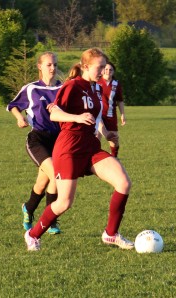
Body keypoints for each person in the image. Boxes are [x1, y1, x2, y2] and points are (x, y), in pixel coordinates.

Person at [24, 47, 134, 251]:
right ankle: (32, 234)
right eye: (99, 67)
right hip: (69, 147)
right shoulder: (72, 86)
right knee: (64, 202)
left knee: (124, 183)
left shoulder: (96, 88)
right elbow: (55, 114)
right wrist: (76, 117)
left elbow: (95, 117)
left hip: (90, 146)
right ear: (85, 66)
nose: (102, 71)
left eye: (104, 67)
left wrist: (107, 132)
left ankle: (111, 234)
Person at [7, 51, 62, 234]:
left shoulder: (63, 88)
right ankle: (52, 220)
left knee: (41, 182)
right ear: (40, 67)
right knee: (56, 173)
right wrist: (19, 118)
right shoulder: (31, 89)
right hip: (37, 139)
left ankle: (28, 209)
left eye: (54, 64)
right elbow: (12, 105)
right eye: (48, 65)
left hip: (59, 140)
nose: (53, 68)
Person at [98, 62, 126, 157]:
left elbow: (120, 101)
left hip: (110, 115)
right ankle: (94, 159)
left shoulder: (116, 84)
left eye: (110, 70)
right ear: (102, 71)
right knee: (96, 137)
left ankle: (114, 156)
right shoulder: (96, 82)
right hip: (98, 115)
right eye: (106, 69)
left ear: (113, 72)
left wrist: (122, 114)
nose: (108, 71)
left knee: (114, 139)